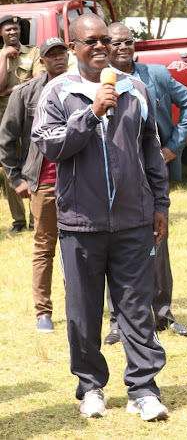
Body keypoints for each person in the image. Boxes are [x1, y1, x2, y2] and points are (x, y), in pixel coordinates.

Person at [31, 14, 170, 421]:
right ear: (73, 47)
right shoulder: (58, 93)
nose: (99, 47)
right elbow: (50, 145)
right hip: (80, 222)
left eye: (104, 40)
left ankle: (143, 389)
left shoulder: (135, 89)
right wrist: (90, 114)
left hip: (132, 220)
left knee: (135, 308)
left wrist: (159, 205)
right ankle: (91, 387)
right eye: (89, 41)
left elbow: (151, 151)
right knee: (82, 313)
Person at [102, 22, 187, 345]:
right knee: (114, 245)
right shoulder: (98, 81)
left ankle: (163, 313)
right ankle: (118, 319)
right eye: (116, 43)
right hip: (112, 176)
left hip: (151, 171)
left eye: (128, 42)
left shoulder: (155, 75)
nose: (123, 47)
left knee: (158, 239)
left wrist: (173, 148)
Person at [0, 37, 68, 333]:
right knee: (45, 246)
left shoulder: (80, 87)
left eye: (62, 53)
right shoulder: (27, 92)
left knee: (85, 247)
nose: (58, 59)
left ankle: (83, 305)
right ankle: (43, 312)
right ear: (43, 61)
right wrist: (17, 179)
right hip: (45, 182)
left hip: (80, 181)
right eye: (52, 55)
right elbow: (6, 138)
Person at [0, 14, 43, 233]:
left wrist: (10, 91)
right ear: (1, 33)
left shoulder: (34, 52)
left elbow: (39, 79)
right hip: (4, 119)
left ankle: (36, 218)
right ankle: (18, 221)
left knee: (33, 163)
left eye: (16, 29)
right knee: (9, 169)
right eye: (8, 30)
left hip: (29, 117)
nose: (13, 32)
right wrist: (4, 57)